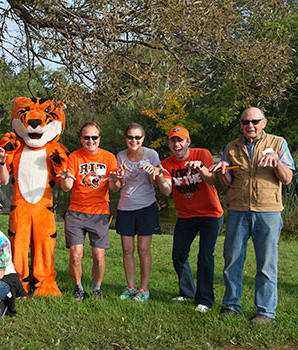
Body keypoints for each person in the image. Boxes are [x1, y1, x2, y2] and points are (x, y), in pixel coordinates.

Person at [211, 107, 294, 324]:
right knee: (232, 260)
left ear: (264, 122)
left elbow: (287, 179)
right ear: (241, 124)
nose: (251, 125)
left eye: (255, 121)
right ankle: (231, 305)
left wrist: (276, 161)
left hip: (268, 211)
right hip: (237, 210)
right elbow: (226, 184)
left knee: (266, 263)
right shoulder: (231, 147)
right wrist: (222, 171)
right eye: (246, 122)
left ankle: (266, 312)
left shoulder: (278, 143)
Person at [155, 126, 223, 313]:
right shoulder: (167, 163)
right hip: (186, 215)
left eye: (180, 140)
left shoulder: (202, 154)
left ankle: (205, 300)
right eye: (173, 141)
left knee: (205, 255)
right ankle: (187, 292)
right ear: (169, 143)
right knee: (179, 254)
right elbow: (167, 190)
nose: (177, 144)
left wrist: (200, 167)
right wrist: (160, 175)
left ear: (188, 142)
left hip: (210, 213)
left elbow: (212, 180)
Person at [59, 122, 119, 301]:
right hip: (76, 212)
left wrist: (116, 180)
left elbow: (114, 188)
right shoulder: (74, 157)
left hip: (100, 212)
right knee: (76, 255)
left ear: (99, 138)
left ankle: (96, 288)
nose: (90, 141)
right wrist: (65, 179)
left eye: (94, 137)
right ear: (81, 139)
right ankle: (78, 287)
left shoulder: (109, 158)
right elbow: (66, 187)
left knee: (98, 256)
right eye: (86, 137)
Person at [115, 123, 161, 302]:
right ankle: (130, 287)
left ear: (143, 139)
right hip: (125, 207)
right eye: (130, 137)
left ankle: (144, 288)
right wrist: (120, 176)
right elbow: (118, 186)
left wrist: (153, 172)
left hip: (146, 207)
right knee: (127, 250)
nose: (133, 141)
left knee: (143, 249)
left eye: (137, 138)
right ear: (126, 138)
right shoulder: (120, 156)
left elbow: (155, 181)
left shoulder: (151, 155)